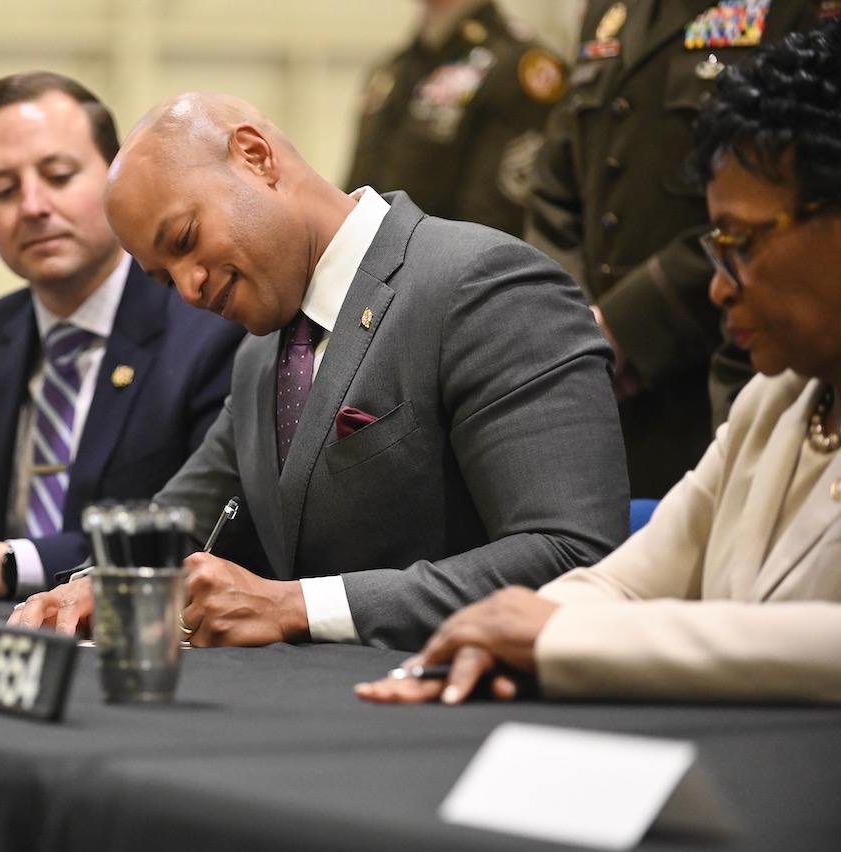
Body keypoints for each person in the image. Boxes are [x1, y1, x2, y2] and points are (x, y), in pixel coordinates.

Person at [10, 91, 629, 651]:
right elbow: (188, 514)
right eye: (162, 277)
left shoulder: (484, 283)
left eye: (186, 239)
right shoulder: (262, 353)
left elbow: (571, 555)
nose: (189, 287)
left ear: (254, 156)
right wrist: (102, 583)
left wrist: (299, 605)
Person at [357, 19, 841, 704]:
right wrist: (493, 633)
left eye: (743, 242)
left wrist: (558, 640)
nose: (720, 285)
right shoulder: (777, 400)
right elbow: (625, 579)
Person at [0, 72, 245, 602]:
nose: (33, 206)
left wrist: (14, 565)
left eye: (57, 175)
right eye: (4, 190)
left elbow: (199, 526)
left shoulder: (209, 328)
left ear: (117, 183)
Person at [526, 0, 820, 499]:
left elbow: (796, 207)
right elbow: (556, 187)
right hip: (595, 392)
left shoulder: (799, 8)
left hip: (725, 377)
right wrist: (570, 322)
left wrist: (624, 325)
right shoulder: (610, 11)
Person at [346, 0, 566, 237]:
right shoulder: (395, 68)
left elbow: (492, 229)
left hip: (450, 270)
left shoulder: (521, 67)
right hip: (370, 265)